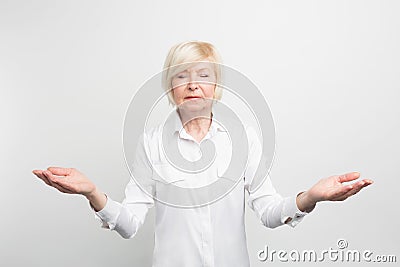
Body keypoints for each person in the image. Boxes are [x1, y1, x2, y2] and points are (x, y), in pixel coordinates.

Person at [32, 41, 373, 267]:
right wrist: (92, 193)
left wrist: (311, 196)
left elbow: (269, 212)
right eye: (182, 75)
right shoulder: (152, 143)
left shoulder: (243, 139)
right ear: (170, 88)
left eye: (204, 75)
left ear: (217, 87)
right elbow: (129, 224)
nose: (193, 84)